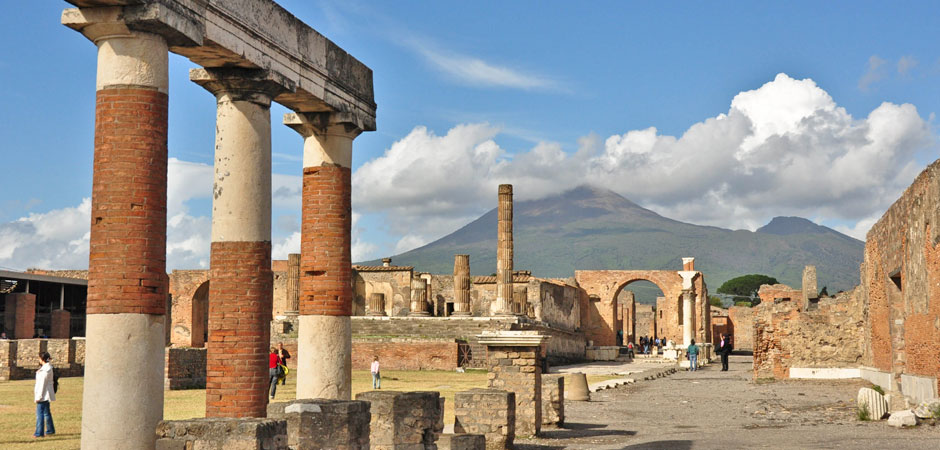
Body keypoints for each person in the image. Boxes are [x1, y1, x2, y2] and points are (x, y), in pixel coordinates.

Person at [34, 351, 56, 438]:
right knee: (47, 412)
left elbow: (42, 384)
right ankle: (50, 430)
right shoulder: (47, 368)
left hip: (43, 394)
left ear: (42, 359)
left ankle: (39, 432)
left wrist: (39, 396)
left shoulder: (45, 370)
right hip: (46, 394)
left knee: (40, 413)